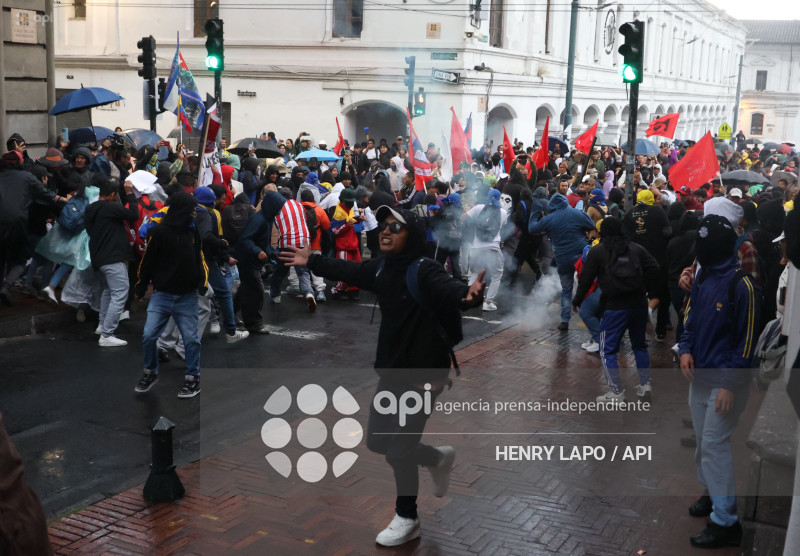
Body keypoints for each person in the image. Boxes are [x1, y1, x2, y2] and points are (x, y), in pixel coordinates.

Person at [279, 205, 486, 547]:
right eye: (383, 226)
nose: (385, 232)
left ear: (413, 235)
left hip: (423, 375)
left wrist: (468, 296)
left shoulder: (423, 270)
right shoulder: (382, 269)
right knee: (378, 442)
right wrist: (312, 260)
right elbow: (352, 269)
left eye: (396, 227)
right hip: (393, 372)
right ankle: (437, 458)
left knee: (400, 451)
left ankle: (408, 517)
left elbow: (450, 289)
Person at [679, 215, 761, 549]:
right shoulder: (702, 276)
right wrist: (685, 348)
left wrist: (729, 383)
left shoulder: (742, 286)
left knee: (714, 445)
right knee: (703, 443)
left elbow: (747, 341)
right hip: (699, 378)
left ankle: (726, 521)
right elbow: (691, 318)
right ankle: (713, 494)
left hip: (725, 383)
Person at [573, 216, 660, 401]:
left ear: (602, 232)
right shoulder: (636, 249)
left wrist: (577, 300)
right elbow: (655, 268)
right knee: (639, 345)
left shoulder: (597, 251)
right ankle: (645, 385)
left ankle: (616, 392)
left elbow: (585, 279)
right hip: (638, 304)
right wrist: (648, 291)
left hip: (614, 306)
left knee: (607, 349)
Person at [134, 192, 208, 398]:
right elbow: (147, 262)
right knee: (149, 335)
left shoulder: (192, 233)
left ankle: (193, 379)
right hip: (162, 295)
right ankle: (150, 372)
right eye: (192, 209)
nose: (195, 213)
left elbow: (198, 257)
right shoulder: (158, 233)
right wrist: (141, 286)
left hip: (187, 296)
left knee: (191, 340)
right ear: (182, 210)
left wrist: (202, 281)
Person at [84, 175, 139, 346]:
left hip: (99, 257)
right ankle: (107, 334)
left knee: (109, 290)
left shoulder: (91, 209)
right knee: (121, 291)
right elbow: (133, 214)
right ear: (113, 195)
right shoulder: (109, 208)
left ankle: (102, 326)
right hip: (113, 256)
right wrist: (130, 194)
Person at [529, 191, 596, 330]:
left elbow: (532, 228)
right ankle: (592, 316)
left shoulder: (549, 218)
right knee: (589, 286)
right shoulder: (575, 214)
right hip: (580, 256)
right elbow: (591, 224)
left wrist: (535, 209)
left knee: (566, 289)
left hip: (562, 258)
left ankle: (564, 320)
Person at [193, 186, 249, 343]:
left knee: (184, 298)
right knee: (222, 293)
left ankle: (167, 342)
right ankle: (230, 331)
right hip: (205, 260)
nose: (223, 201)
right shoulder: (208, 214)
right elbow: (209, 236)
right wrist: (223, 251)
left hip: (187, 258)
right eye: (221, 198)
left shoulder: (187, 211)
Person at [465, 189, 507, 311]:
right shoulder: (502, 211)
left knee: (475, 273)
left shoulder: (478, 208)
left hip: (477, 247)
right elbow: (503, 226)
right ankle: (488, 302)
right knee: (496, 275)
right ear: (499, 198)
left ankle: (468, 299)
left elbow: (463, 217)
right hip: (493, 247)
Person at [330, 188, 365, 297]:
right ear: (343, 200)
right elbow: (334, 231)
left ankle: (354, 289)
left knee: (356, 270)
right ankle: (339, 290)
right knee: (343, 270)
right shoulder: (339, 213)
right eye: (349, 201)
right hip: (344, 246)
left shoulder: (347, 208)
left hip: (352, 244)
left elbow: (349, 221)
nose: (351, 203)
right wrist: (346, 225)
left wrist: (358, 219)